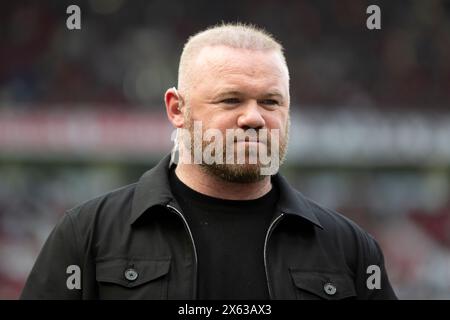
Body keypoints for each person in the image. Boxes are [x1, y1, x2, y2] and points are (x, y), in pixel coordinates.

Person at [21, 23, 397, 300]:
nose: (254, 118)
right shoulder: (88, 235)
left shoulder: (350, 249)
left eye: (270, 102)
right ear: (177, 109)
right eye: (231, 100)